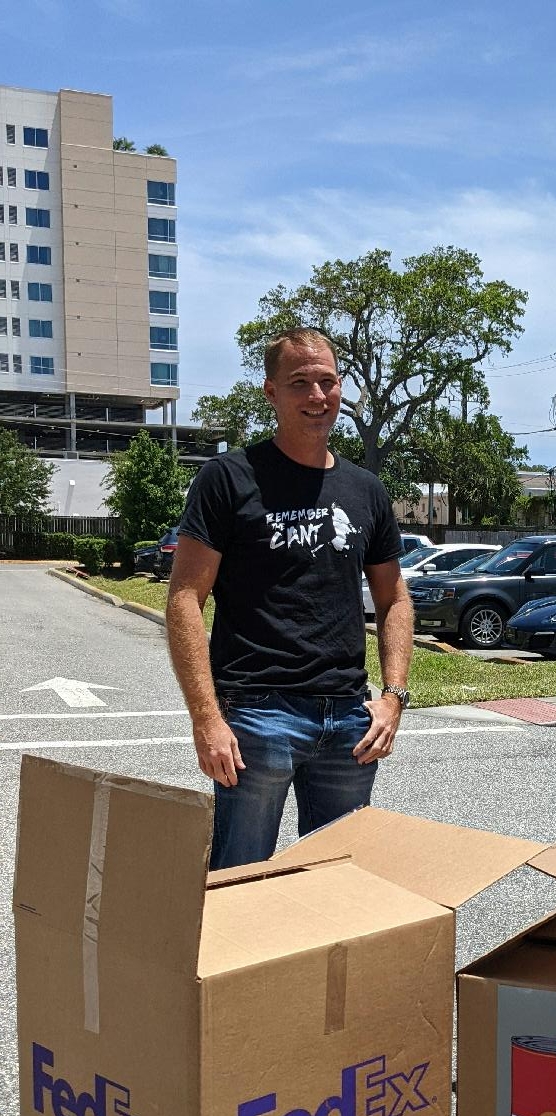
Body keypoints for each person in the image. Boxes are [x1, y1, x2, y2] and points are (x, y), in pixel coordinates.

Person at [166, 327, 413, 869]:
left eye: (327, 381)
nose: (317, 396)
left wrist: (393, 697)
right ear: (271, 393)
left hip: (350, 719)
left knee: (335, 880)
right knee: (238, 880)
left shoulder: (365, 489)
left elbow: (394, 597)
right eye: (300, 383)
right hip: (257, 715)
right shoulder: (227, 478)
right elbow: (185, 598)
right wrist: (206, 718)